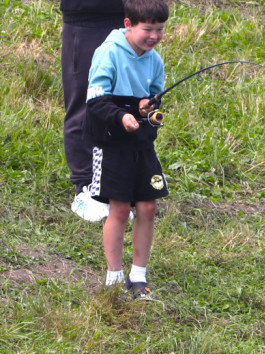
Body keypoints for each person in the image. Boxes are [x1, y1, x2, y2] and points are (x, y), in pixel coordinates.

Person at [84, 0, 169, 298]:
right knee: (119, 210)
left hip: (141, 144)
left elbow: (153, 100)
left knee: (148, 206)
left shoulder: (155, 60)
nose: (154, 36)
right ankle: (113, 277)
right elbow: (95, 101)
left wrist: (147, 109)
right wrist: (123, 115)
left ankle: (139, 276)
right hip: (111, 143)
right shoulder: (108, 52)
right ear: (128, 24)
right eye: (148, 29)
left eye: (160, 30)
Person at [61, 0, 125, 221]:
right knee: (86, 102)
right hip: (86, 18)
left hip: (127, 17)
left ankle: (113, 186)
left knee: (123, 103)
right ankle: (85, 186)